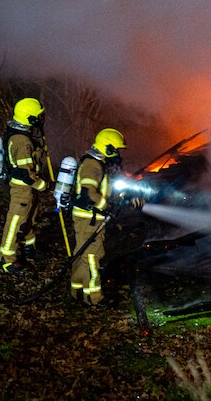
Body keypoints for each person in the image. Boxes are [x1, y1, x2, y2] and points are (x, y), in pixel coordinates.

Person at [70, 127, 141, 306]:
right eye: (115, 149)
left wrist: (127, 198)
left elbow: (108, 190)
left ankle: (77, 290)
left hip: (89, 217)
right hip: (89, 218)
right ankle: (94, 297)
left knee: (83, 254)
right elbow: (89, 193)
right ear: (107, 147)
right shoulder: (92, 165)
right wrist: (107, 207)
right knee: (93, 256)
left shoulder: (101, 165)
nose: (117, 153)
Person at [0, 97, 52, 275]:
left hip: (29, 190)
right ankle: (6, 260)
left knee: (30, 220)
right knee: (14, 223)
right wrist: (45, 186)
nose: (41, 119)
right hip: (22, 190)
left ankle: (30, 251)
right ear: (30, 118)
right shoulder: (21, 141)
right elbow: (26, 174)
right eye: (38, 116)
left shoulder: (23, 134)